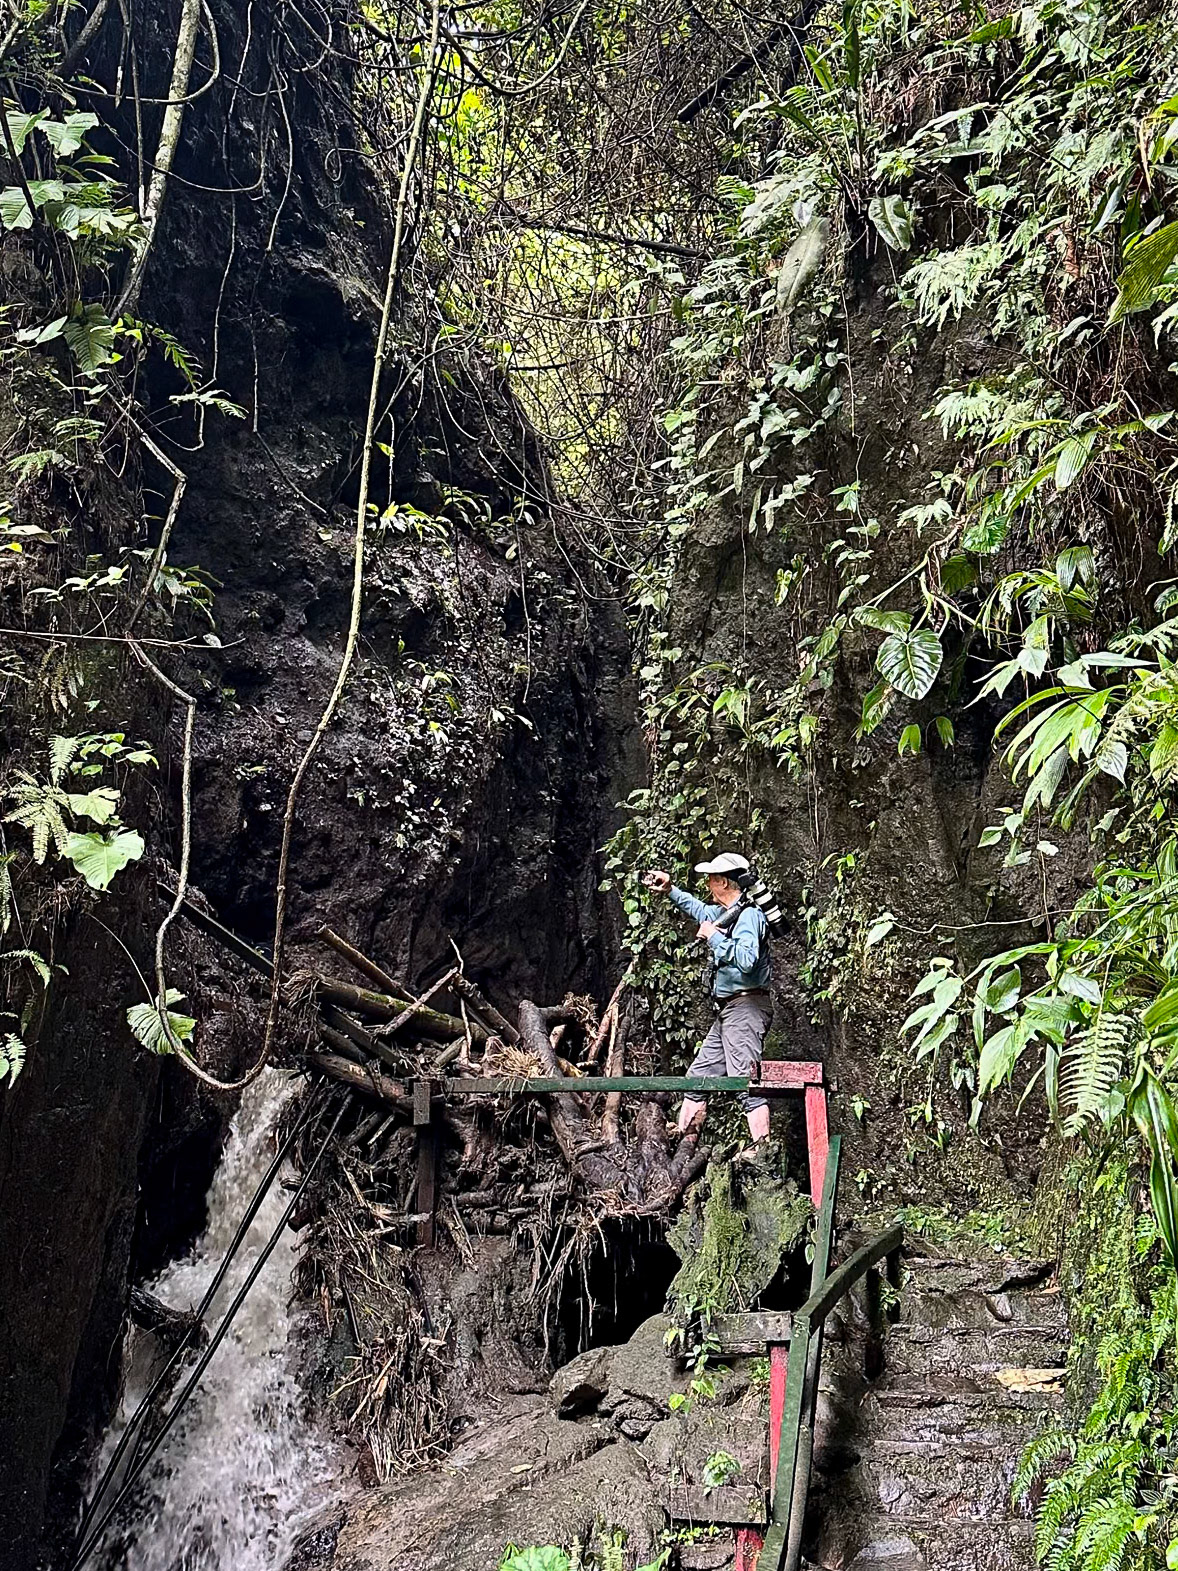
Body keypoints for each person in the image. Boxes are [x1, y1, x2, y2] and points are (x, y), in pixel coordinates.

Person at [644, 852, 772, 1143]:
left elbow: (747, 959)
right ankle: (682, 1143)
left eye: (711, 880)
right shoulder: (728, 912)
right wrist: (670, 889)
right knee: (697, 1078)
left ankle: (763, 1151)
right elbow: (699, 910)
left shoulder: (749, 915)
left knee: (745, 1082)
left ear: (724, 882)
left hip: (747, 1007)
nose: (707, 886)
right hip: (729, 1010)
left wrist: (714, 938)